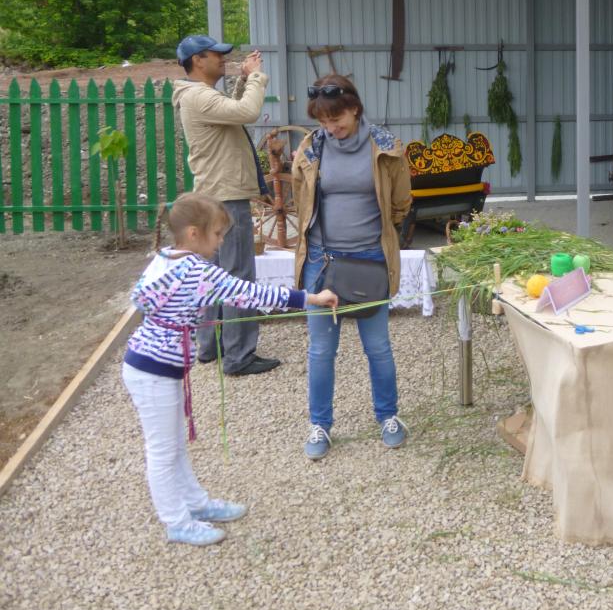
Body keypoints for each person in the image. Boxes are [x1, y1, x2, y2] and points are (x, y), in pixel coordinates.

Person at [124, 193, 338, 546]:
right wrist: (310, 298)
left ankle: (195, 504)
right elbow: (248, 294)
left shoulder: (166, 258)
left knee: (175, 443)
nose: (222, 242)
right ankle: (176, 522)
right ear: (194, 233)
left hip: (157, 367)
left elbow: (141, 298)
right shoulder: (194, 271)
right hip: (153, 370)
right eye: (218, 234)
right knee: (163, 451)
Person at [291, 74, 414, 460]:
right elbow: (302, 201)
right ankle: (320, 425)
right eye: (323, 121)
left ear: (355, 109)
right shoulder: (311, 148)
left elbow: (401, 203)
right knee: (321, 350)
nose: (331, 128)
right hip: (320, 262)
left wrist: (376, 238)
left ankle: (389, 416)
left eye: (337, 120)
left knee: (377, 346)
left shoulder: (387, 148)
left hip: (370, 261)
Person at [174, 35, 278, 376]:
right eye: (216, 55)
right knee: (238, 275)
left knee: (213, 275)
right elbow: (247, 112)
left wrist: (243, 81)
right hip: (227, 198)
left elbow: (230, 116)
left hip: (211, 193)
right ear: (197, 60)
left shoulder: (197, 96)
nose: (223, 59)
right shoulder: (198, 96)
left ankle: (210, 347)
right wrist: (257, 77)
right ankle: (239, 357)